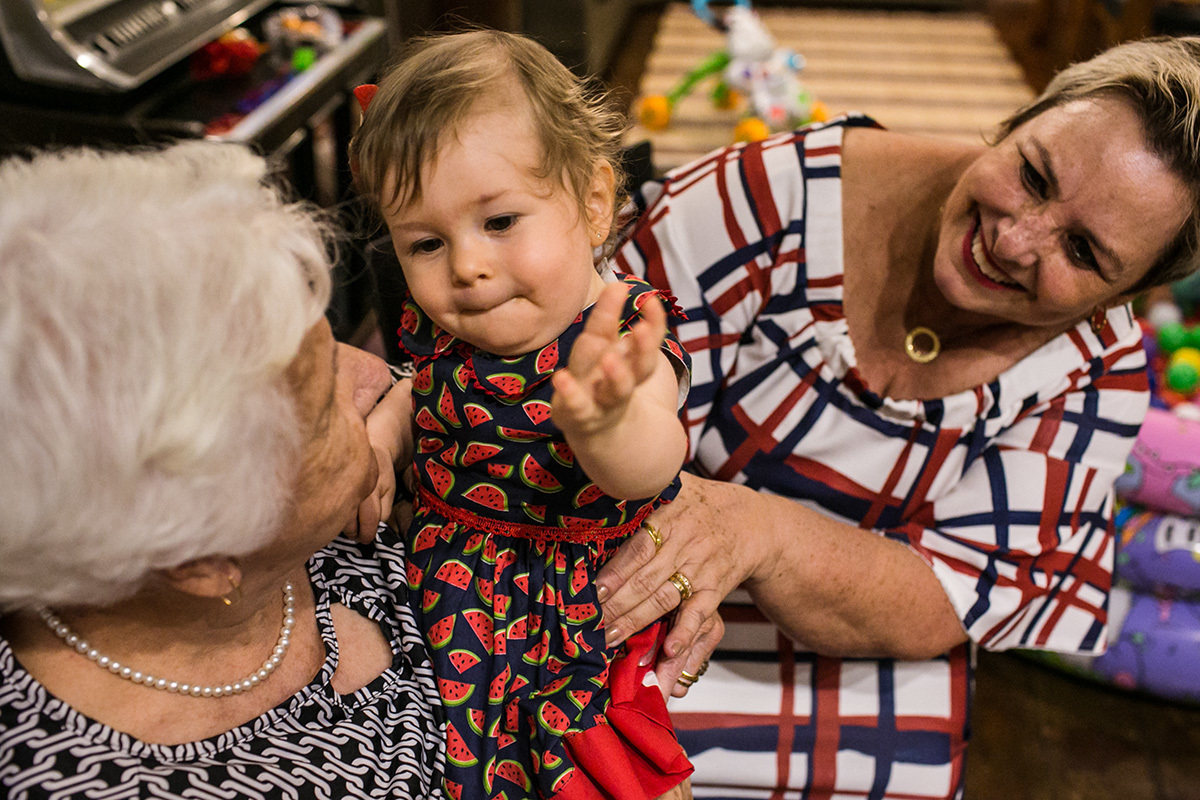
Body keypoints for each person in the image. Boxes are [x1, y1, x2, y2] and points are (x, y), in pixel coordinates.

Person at [593, 35, 1200, 800]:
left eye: (1082, 250)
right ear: (1016, 120)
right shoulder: (769, 195)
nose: (1014, 240)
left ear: (1126, 296)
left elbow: (946, 594)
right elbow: (593, 415)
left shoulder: (1100, 372)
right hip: (635, 568)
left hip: (867, 641)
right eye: (1032, 173)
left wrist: (757, 530)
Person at [0, 142, 444, 799]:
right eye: (325, 407)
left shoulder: (278, 490)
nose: (374, 372)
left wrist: (654, 503)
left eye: (328, 341)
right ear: (201, 559)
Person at [348, 29, 694, 800]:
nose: (466, 266)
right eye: (426, 242)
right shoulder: (445, 332)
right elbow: (420, 390)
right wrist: (382, 436)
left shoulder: (622, 329)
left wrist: (606, 425)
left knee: (587, 775)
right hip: (445, 598)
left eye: (500, 223)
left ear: (594, 201)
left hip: (574, 616)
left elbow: (655, 456)